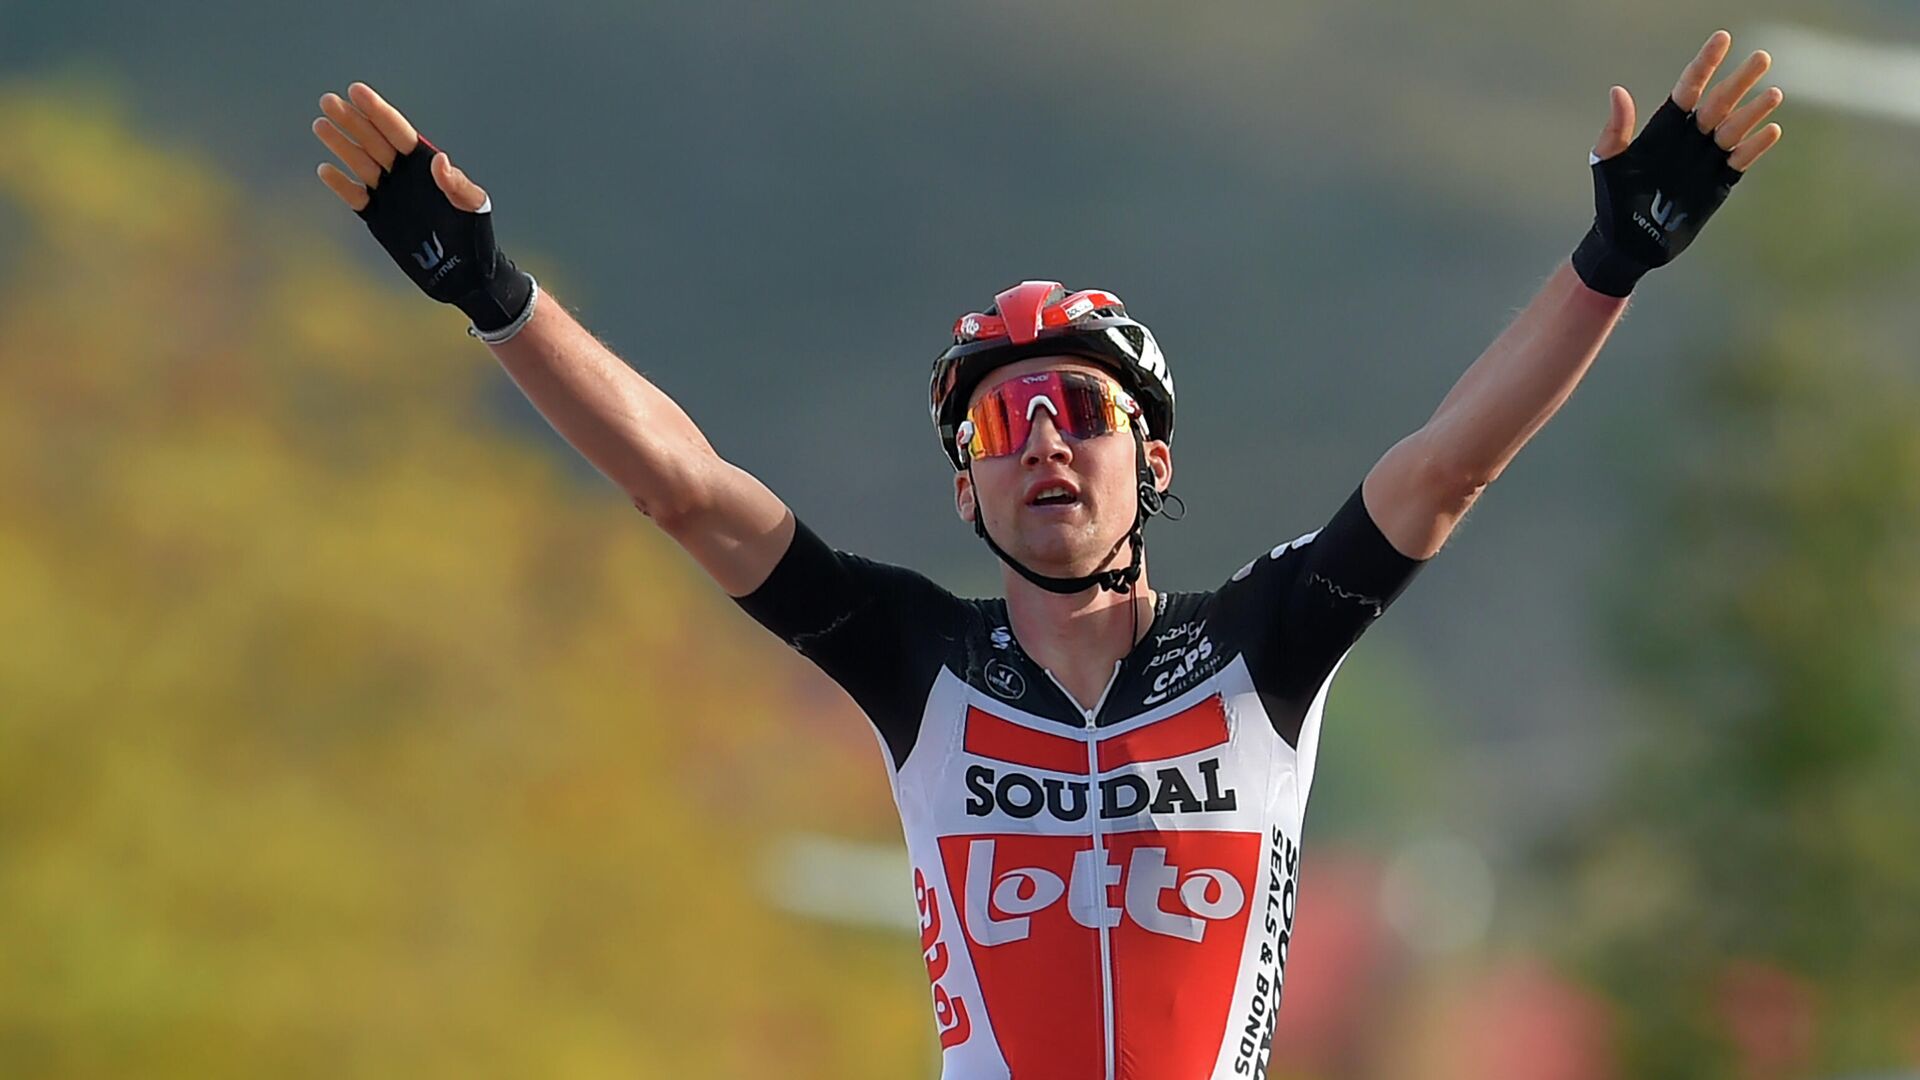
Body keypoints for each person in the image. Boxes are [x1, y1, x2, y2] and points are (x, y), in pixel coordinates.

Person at [313, 30, 1782, 1079]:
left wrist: (1613, 264)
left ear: (1152, 463)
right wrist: (494, 298)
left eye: (1079, 411)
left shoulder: (1269, 641)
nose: (1039, 443)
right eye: (1001, 423)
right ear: (965, 495)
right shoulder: (912, 658)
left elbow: (1446, 467)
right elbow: (688, 492)